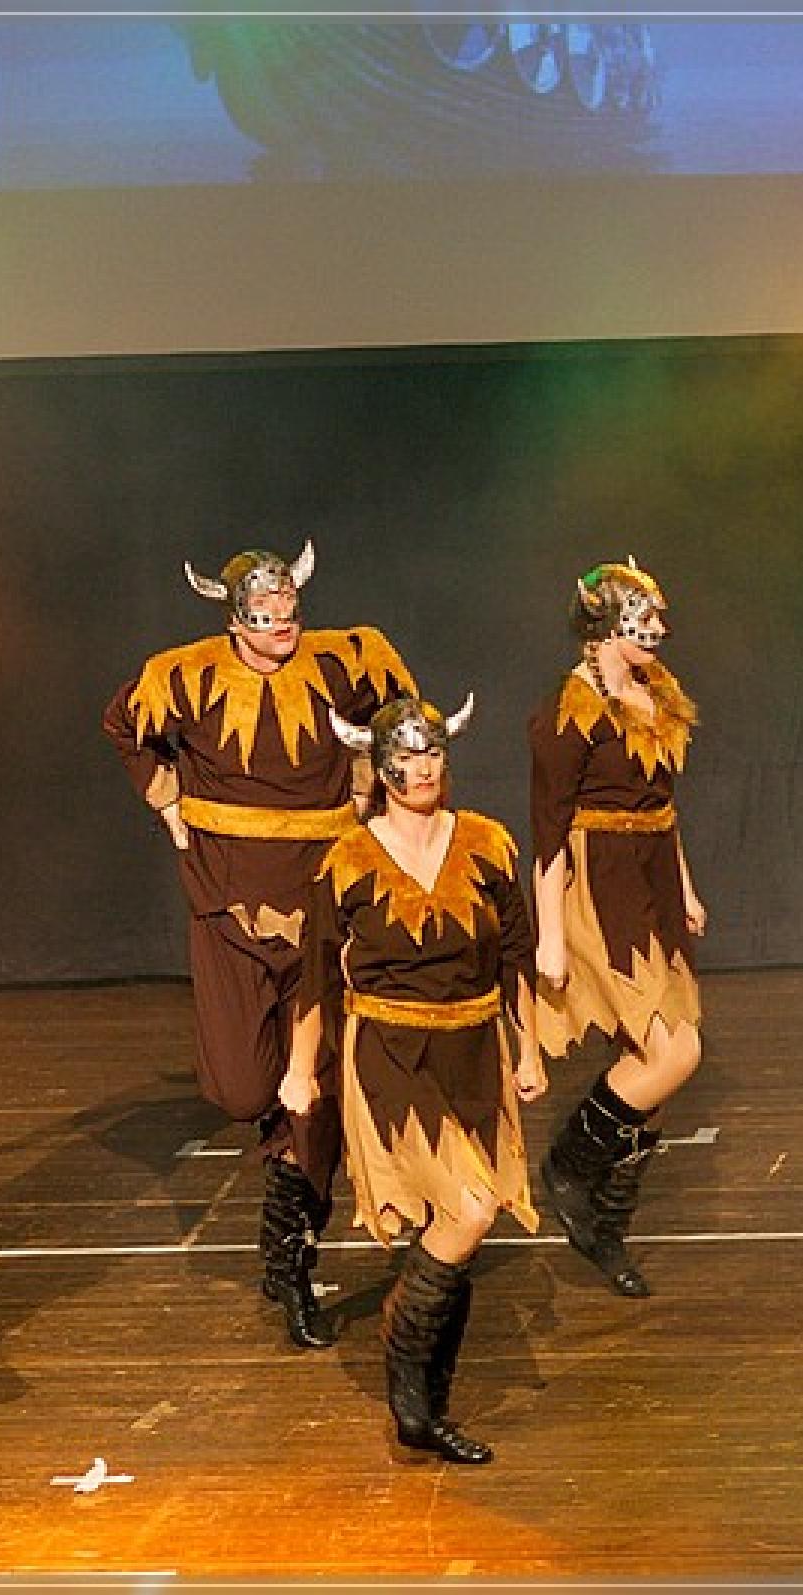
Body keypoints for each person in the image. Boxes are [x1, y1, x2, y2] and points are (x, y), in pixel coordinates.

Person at [102, 543, 414, 1348]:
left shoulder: (345, 661)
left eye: (290, 613)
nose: (282, 626)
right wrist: (167, 802)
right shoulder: (187, 676)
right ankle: (284, 1132)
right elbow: (123, 725)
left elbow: (399, 719)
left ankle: (292, 1262)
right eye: (264, 616)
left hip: (322, 901)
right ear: (234, 618)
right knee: (247, 1091)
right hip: (228, 903)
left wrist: (365, 790)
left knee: (315, 1096)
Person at [281, 692, 545, 1463]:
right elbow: (316, 977)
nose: (422, 769)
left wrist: (529, 1050)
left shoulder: (487, 844)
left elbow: (516, 956)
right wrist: (300, 1070)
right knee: (469, 1208)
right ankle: (404, 1344)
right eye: (406, 758)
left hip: (474, 1050)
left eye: (432, 755)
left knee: (462, 1221)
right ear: (381, 768)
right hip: (391, 1055)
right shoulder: (349, 861)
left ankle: (426, 1408)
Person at [529, 559, 705, 1298]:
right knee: (676, 1051)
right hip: (598, 889)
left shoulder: (656, 699)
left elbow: (663, 806)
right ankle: (570, 1163)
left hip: (652, 881)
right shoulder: (568, 714)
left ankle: (607, 1222)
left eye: (659, 615)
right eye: (644, 617)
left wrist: (685, 887)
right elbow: (547, 831)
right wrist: (549, 934)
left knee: (656, 1068)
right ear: (604, 625)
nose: (658, 629)